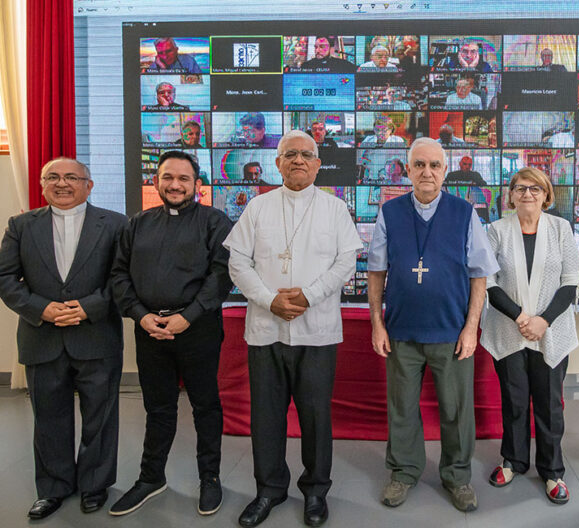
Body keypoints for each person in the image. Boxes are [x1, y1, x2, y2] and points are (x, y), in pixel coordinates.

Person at [224, 130, 362, 528]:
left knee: (316, 416)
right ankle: (269, 489)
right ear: (278, 163)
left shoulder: (335, 208)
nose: (298, 160)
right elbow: (238, 263)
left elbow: (346, 262)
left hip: (317, 330)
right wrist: (270, 300)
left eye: (306, 154)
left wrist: (308, 296)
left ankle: (316, 491)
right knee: (266, 416)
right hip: (266, 329)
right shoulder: (258, 207)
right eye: (290, 154)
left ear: (318, 164)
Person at [368, 137, 499, 513]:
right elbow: (376, 271)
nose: (427, 172)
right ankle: (403, 472)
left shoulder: (464, 213)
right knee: (402, 408)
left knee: (457, 410)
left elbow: (479, 274)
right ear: (408, 170)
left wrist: (471, 327)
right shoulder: (389, 212)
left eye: (435, 165)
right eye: (419, 165)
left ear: (445, 170)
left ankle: (457, 476)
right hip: (401, 332)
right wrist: (377, 323)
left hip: (451, 332)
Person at [0, 158, 126, 520]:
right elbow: (5, 278)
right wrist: (41, 309)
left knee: (100, 418)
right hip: (42, 337)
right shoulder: (21, 225)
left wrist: (88, 307)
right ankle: (53, 488)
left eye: (72, 177)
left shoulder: (115, 224)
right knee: (48, 419)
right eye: (52, 177)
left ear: (89, 185)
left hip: (97, 335)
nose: (62, 183)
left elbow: (122, 278)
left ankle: (94, 485)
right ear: (42, 185)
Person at [109, 151, 233, 517]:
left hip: (198, 330)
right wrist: (140, 315)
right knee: (157, 407)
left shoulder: (215, 222)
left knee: (205, 406)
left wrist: (188, 317)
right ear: (156, 181)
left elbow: (222, 275)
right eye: (167, 177)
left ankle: (210, 478)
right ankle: (151, 478)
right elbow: (119, 274)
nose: (175, 185)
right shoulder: (137, 224)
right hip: (149, 330)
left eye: (183, 178)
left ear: (197, 184)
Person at [481, 166, 579, 504]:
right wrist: (522, 318)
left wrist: (543, 321)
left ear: (546, 195)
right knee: (515, 400)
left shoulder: (561, 229)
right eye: (520, 188)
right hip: (508, 330)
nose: (527, 194)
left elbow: (570, 281)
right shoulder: (496, 230)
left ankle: (552, 471)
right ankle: (513, 460)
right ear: (510, 195)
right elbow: (488, 281)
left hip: (551, 332)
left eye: (535, 188)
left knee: (550, 404)